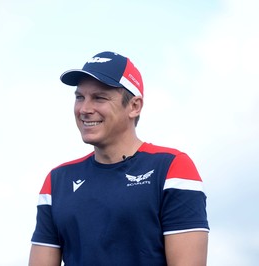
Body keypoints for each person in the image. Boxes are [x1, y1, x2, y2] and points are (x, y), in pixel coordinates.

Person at [29, 51, 209, 266]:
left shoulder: (172, 168)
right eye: (79, 97)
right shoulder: (57, 181)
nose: (85, 109)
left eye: (99, 98)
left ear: (134, 106)